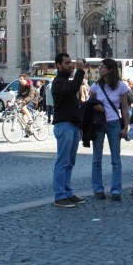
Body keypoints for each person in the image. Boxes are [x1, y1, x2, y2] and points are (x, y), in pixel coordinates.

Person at [88, 58, 130, 201]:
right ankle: (98, 189)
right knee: (97, 159)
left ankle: (116, 190)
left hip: (114, 124)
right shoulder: (96, 86)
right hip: (99, 124)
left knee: (116, 159)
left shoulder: (121, 86)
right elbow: (89, 104)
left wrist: (126, 127)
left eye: (103, 67)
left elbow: (124, 108)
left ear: (111, 70)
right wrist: (95, 106)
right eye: (99, 67)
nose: (99, 69)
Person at [52, 53, 87, 208]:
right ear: (58, 65)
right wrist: (80, 70)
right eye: (67, 63)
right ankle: (60, 195)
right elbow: (73, 88)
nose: (70, 65)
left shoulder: (66, 81)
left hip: (72, 126)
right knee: (62, 162)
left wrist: (79, 127)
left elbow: (74, 106)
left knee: (69, 162)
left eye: (71, 63)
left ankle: (67, 192)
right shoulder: (58, 82)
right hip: (63, 125)